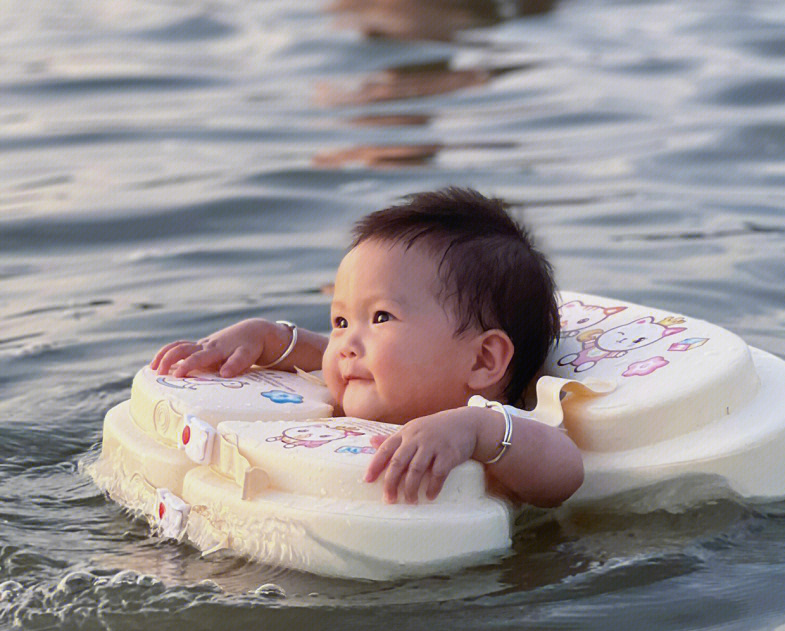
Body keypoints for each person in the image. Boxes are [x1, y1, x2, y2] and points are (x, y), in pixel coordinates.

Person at [150, 188, 583, 507]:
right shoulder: (372, 379)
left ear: (483, 359)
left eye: (381, 318)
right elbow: (333, 355)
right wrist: (270, 338)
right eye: (340, 320)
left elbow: (567, 473)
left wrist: (473, 430)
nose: (345, 345)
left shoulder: (495, 428)